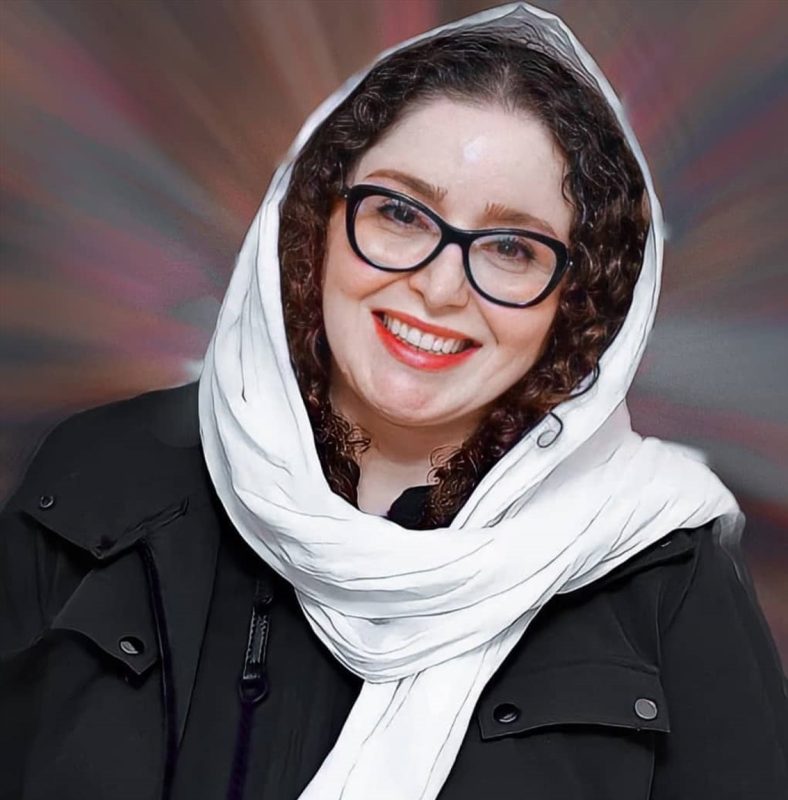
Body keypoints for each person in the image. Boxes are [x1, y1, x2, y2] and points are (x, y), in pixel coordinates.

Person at [1, 4, 786, 800]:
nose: (440, 288)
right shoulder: (101, 480)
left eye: (512, 248)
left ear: (575, 303)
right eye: (402, 213)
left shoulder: (665, 573)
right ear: (315, 217)